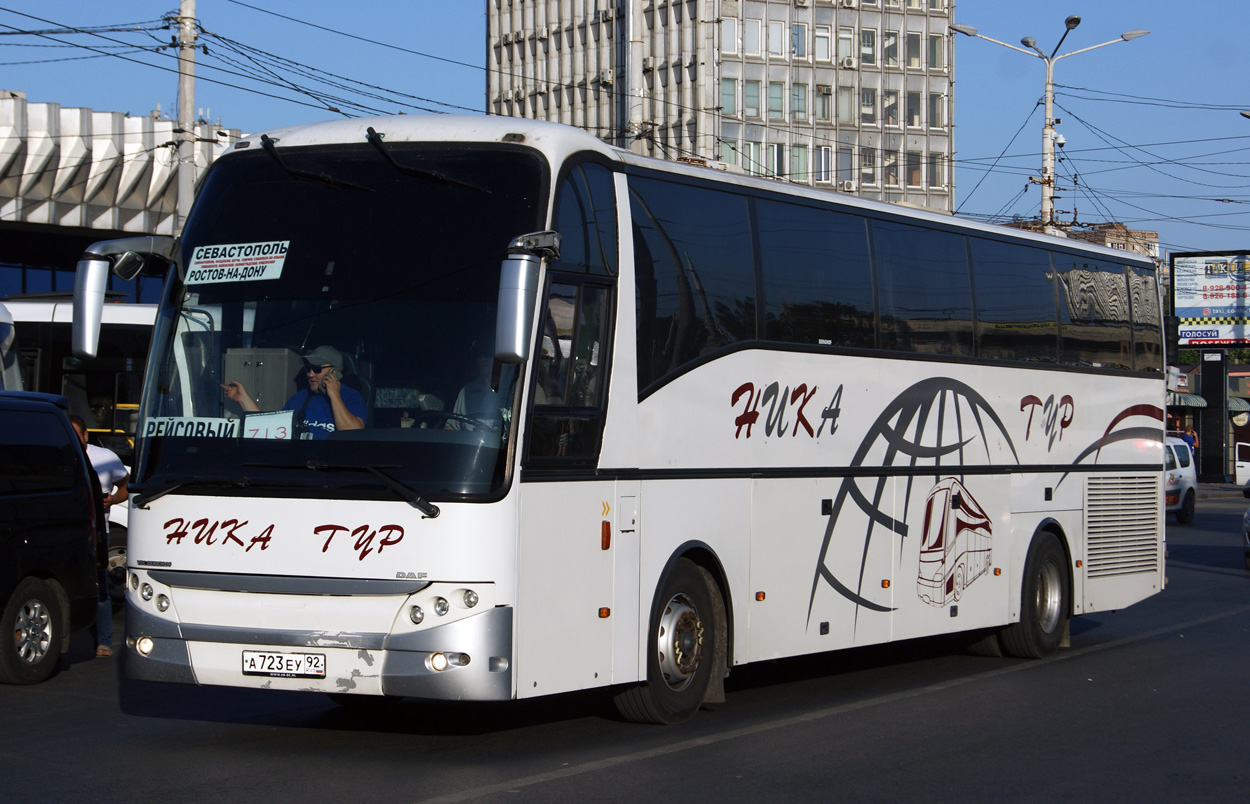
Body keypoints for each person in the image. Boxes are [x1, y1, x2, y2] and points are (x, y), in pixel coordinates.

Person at [70, 415, 128, 659]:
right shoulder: (59, 454)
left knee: (100, 588)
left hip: (98, 535)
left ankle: (103, 640)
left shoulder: (105, 458)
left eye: (77, 434)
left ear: (86, 435)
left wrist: (113, 499)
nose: (73, 439)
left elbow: (126, 482)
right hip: (68, 533)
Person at [221, 345, 366, 440]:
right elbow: (273, 430)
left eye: (316, 369)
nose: (310, 374)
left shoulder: (351, 397)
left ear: (335, 372)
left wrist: (334, 395)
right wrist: (243, 399)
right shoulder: (300, 398)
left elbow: (352, 435)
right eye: (307, 368)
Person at [447, 349, 509, 430]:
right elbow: (451, 427)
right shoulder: (467, 391)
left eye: (488, 354)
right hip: (468, 442)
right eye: (479, 354)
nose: (482, 359)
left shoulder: (513, 392)